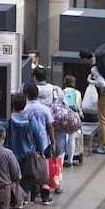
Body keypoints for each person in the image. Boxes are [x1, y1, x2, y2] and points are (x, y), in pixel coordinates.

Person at [79, 47, 105, 154]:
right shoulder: (102, 60)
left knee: (103, 120)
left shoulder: (94, 68)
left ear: (84, 59)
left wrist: (90, 81)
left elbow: (102, 84)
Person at [33, 66, 67, 194]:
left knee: (36, 157)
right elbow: (65, 106)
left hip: (37, 130)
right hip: (54, 128)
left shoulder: (31, 91)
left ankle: (37, 186)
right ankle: (56, 184)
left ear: (34, 78)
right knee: (57, 155)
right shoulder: (55, 89)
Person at [24, 84, 56, 204]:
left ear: (26, 95)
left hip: (28, 145)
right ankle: (45, 197)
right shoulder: (44, 109)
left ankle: (30, 197)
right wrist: (53, 142)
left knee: (30, 169)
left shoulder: (24, 109)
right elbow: (50, 126)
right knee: (44, 170)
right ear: (37, 95)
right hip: (44, 143)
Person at [62, 75, 83, 167]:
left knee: (64, 140)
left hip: (64, 117)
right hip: (74, 118)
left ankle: (61, 161)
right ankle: (70, 162)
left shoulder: (61, 92)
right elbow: (78, 106)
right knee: (72, 140)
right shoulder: (77, 93)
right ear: (73, 83)